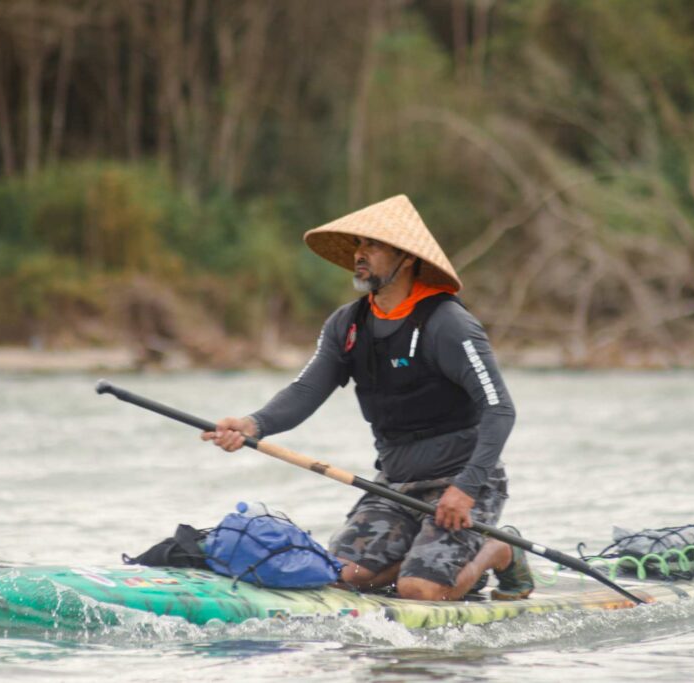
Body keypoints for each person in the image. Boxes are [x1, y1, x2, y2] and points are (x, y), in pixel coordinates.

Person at [202, 195, 533, 601]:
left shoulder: (448, 324)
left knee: (419, 590)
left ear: (406, 258)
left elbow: (500, 409)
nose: (360, 255)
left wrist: (466, 488)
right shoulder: (347, 324)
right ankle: (431, 558)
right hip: (394, 485)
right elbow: (306, 390)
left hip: (463, 484)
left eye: (372, 246)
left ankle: (496, 551)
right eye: (358, 245)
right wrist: (253, 425)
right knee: (338, 577)